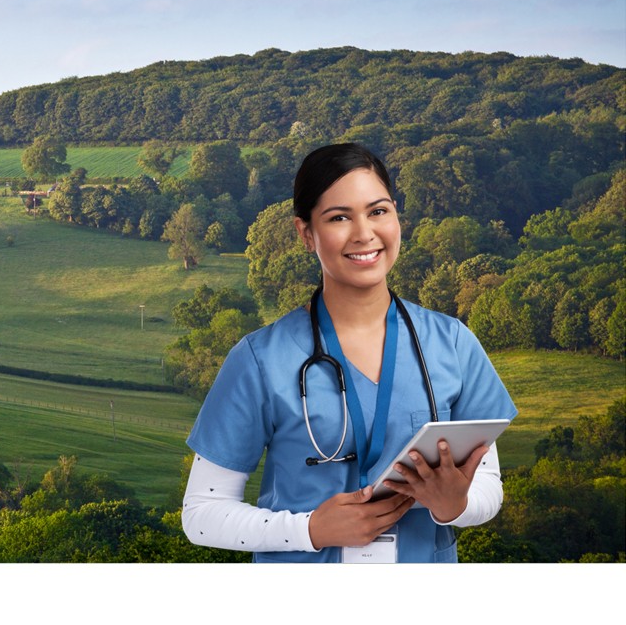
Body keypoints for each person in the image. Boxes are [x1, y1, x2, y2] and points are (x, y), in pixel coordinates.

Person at [181, 143, 518, 563]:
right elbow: (202, 514)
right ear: (306, 234)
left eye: (378, 211)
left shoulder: (452, 343)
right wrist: (310, 530)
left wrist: (455, 506)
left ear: (396, 216)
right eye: (339, 217)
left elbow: (487, 485)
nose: (364, 233)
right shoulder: (260, 359)